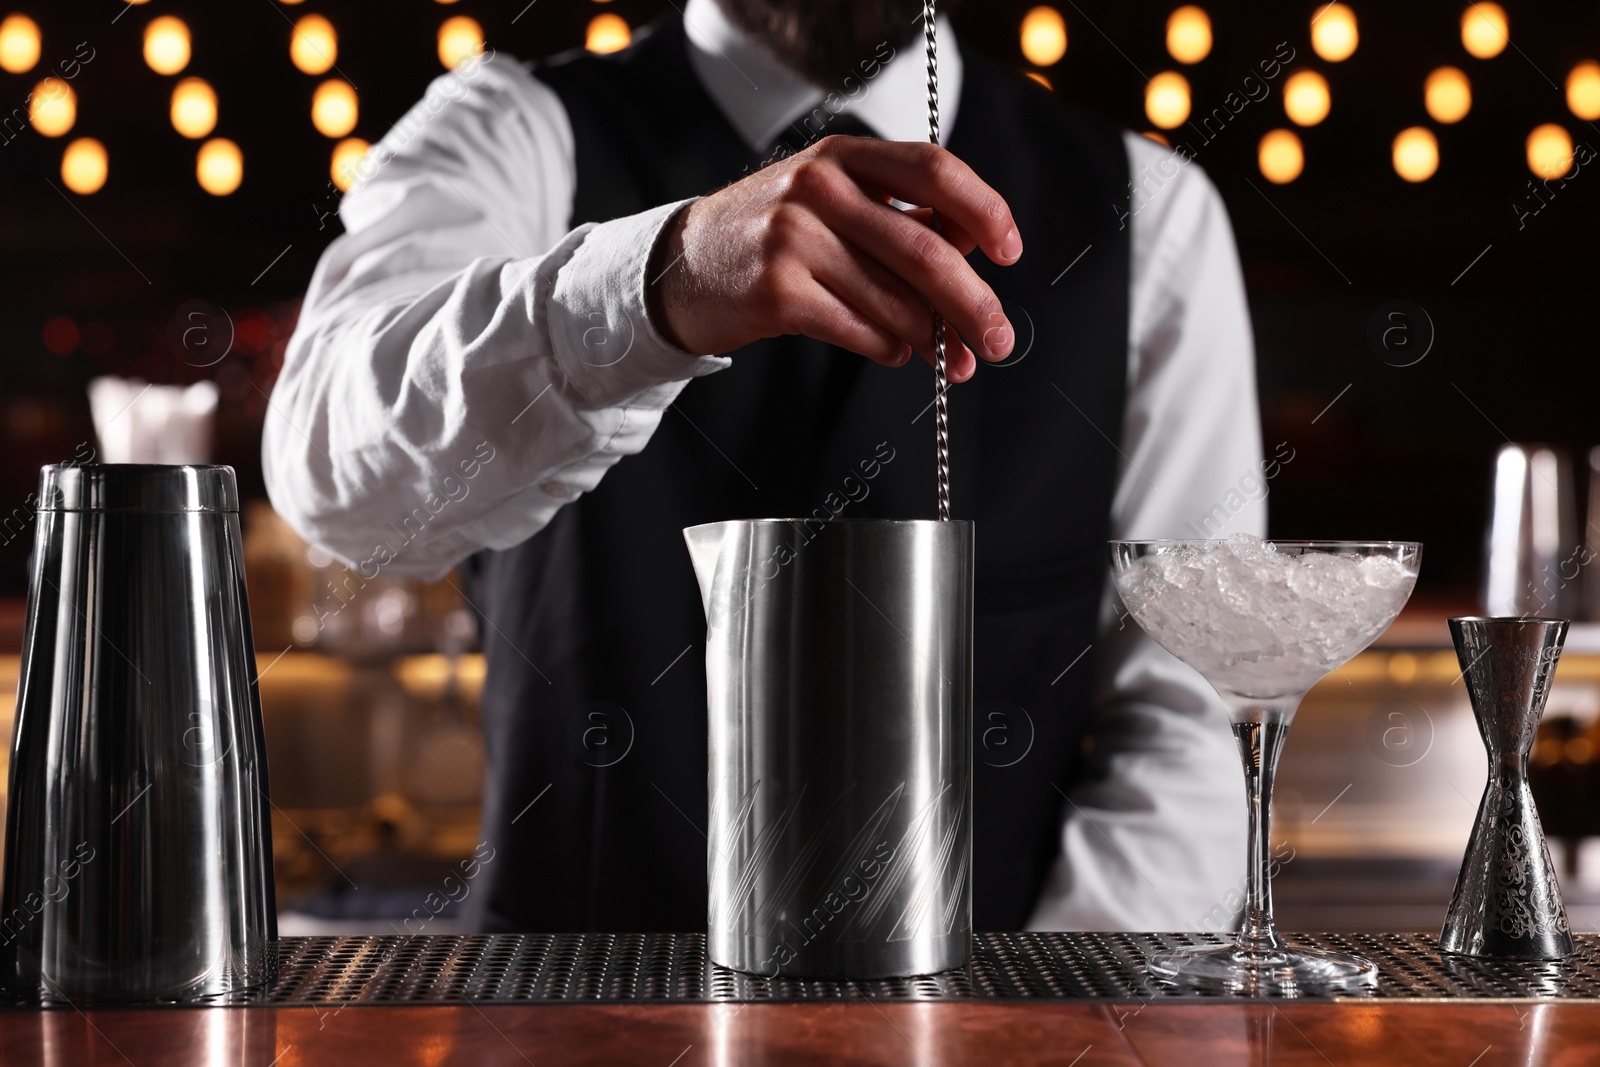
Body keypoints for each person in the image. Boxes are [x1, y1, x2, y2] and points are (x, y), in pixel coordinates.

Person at [263, 0, 1265, 934]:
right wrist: (661, 281)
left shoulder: (1153, 212)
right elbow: (336, 487)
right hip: (567, 1015)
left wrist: (1030, 1026)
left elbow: (1190, 726)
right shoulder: (509, 129)